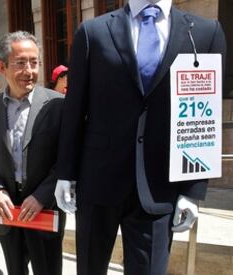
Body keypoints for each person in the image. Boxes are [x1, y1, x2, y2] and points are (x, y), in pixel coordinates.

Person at [54, 0, 226, 275]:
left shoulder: (205, 33)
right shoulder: (93, 32)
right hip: (98, 182)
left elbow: (205, 116)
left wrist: (193, 190)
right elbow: (75, 108)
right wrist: (66, 172)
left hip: (159, 186)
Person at [0, 31, 66, 275]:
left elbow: (66, 159)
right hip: (8, 213)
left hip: (44, 211)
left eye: (34, 62)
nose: (30, 70)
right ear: (1, 66)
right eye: (21, 63)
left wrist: (42, 195)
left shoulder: (57, 105)